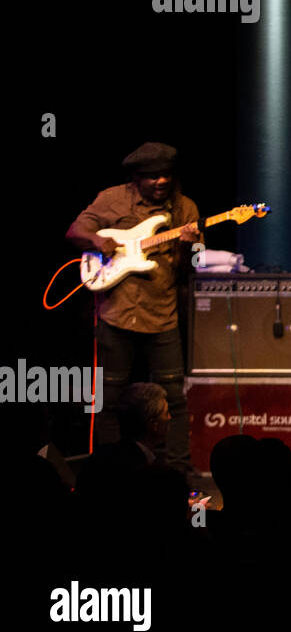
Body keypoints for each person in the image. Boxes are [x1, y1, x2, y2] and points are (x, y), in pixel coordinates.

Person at [66, 142, 201, 471]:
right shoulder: (112, 199)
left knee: (175, 401)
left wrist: (188, 247)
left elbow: (190, 268)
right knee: (109, 401)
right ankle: (109, 473)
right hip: (116, 312)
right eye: (153, 177)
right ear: (136, 178)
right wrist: (98, 241)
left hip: (162, 314)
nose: (161, 182)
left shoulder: (185, 210)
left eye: (166, 175)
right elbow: (75, 231)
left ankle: (177, 475)